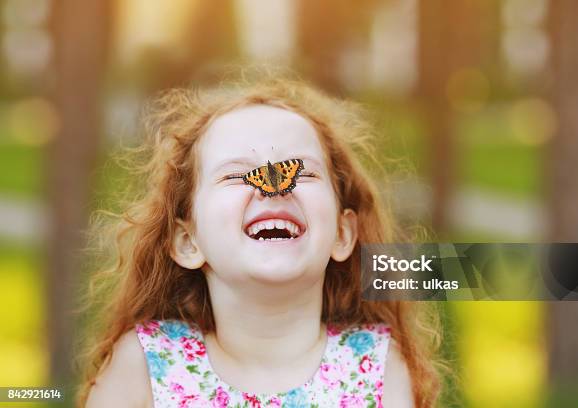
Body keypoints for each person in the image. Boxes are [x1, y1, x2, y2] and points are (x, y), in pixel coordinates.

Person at [79, 71, 441, 407]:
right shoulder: (144, 364)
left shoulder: (377, 369)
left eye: (299, 172)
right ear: (188, 241)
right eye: (238, 176)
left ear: (343, 234)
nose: (273, 189)